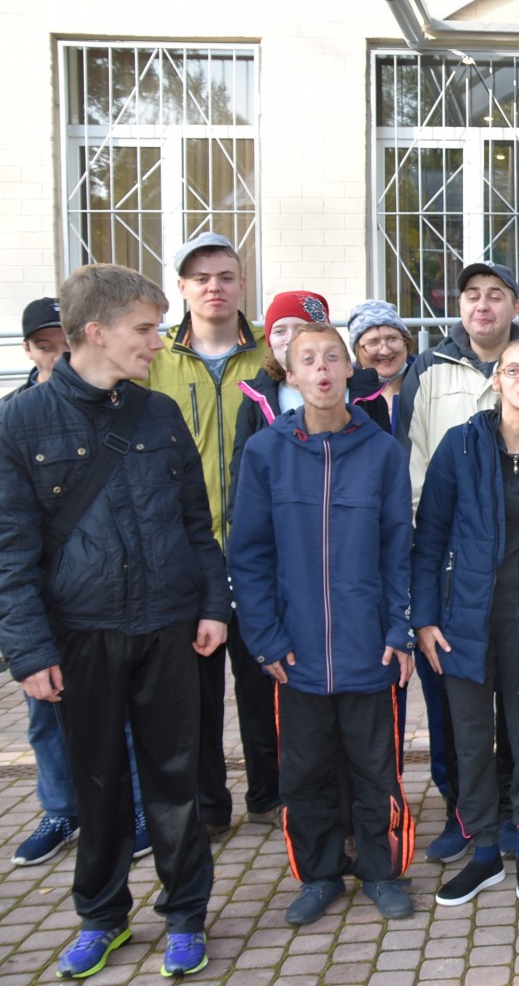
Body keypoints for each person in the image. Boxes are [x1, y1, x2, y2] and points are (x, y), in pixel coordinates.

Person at [0, 263, 227, 979]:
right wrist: (29, 650)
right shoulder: (19, 422)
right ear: (95, 331)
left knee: (176, 781)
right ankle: (102, 916)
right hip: (81, 633)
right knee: (96, 783)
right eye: (145, 328)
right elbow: (10, 550)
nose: (158, 342)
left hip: (169, 626)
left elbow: (195, 522)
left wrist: (213, 606)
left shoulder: (158, 412)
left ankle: (186, 913)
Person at [228, 322, 417, 925]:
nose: (322, 369)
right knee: (304, 771)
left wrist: (400, 630)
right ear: (289, 373)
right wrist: (265, 638)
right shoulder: (266, 452)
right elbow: (249, 554)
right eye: (308, 359)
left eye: (332, 357)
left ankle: (381, 871)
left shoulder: (382, 452)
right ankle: (319, 873)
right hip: (297, 653)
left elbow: (399, 549)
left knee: (375, 767)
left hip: (369, 649)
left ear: (349, 368)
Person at [395, 260, 519, 862]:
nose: (482, 304)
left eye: (495, 294)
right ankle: (470, 824)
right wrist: (426, 607)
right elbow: (415, 486)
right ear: (498, 381)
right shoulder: (433, 382)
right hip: (459, 588)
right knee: (462, 726)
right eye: (471, 293)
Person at [412, 339, 519, 906]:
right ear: (496, 380)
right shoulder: (460, 445)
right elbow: (428, 535)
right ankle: (485, 851)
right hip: (464, 617)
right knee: (470, 739)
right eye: (513, 370)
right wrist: (424, 617)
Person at [140, 231, 276, 838]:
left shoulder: (269, 354)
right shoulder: (157, 360)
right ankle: (207, 804)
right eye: (200, 278)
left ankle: (270, 794)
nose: (213, 287)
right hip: (184, 548)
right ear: (182, 289)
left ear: (242, 283)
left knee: (261, 679)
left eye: (224, 276)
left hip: (257, 549)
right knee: (192, 690)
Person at [227, 291, 392, 518]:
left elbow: (385, 472)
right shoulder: (255, 400)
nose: (289, 339)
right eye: (279, 331)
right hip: (282, 524)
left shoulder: (366, 398)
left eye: (300, 329)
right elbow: (242, 478)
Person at [348, 298, 416, 430]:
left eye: (392, 339)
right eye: (373, 342)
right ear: (357, 350)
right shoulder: (345, 392)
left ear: (406, 342)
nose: (385, 351)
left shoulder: (425, 380)